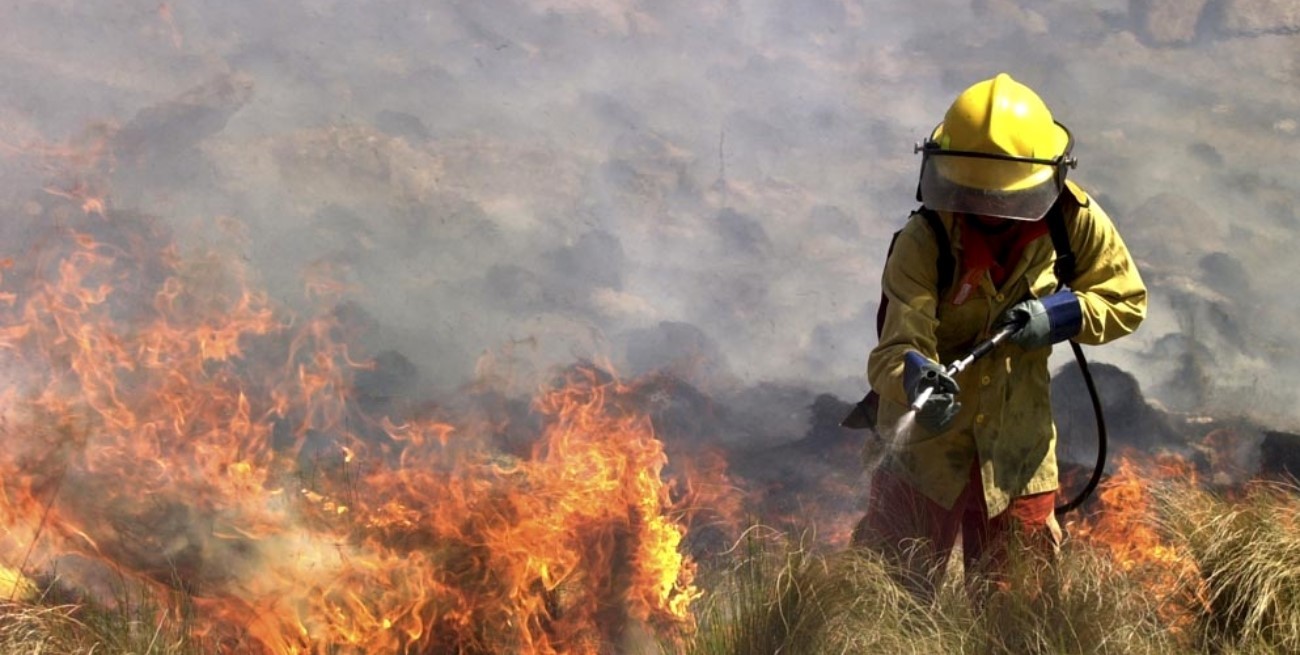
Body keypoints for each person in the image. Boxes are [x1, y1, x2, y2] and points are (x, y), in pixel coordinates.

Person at [850, 73, 1148, 594]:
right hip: (923, 455)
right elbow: (893, 352)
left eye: (1000, 197)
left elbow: (1124, 300)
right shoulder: (926, 240)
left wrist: (1059, 316)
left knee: (1018, 614)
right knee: (890, 599)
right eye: (973, 193)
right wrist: (918, 378)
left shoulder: (1072, 221)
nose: (987, 209)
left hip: (1018, 453)